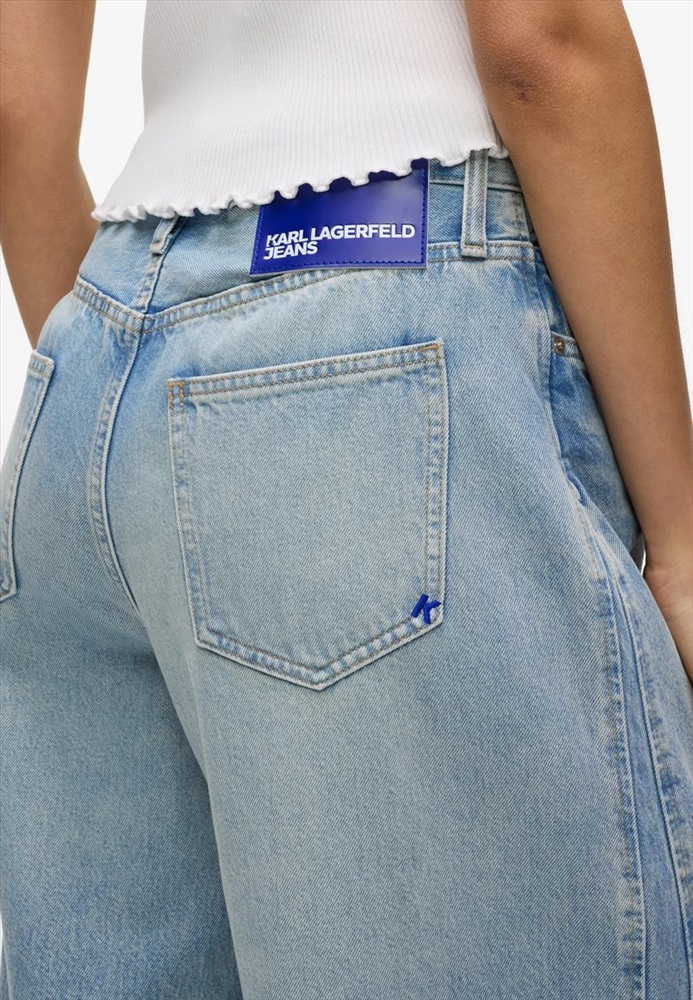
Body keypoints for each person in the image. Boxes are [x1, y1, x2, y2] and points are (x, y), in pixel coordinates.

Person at [1, 1, 692, 997]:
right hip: (372, 333)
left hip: (94, 383)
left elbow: (15, 106)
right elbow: (543, 38)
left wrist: (172, 442)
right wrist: (681, 539)